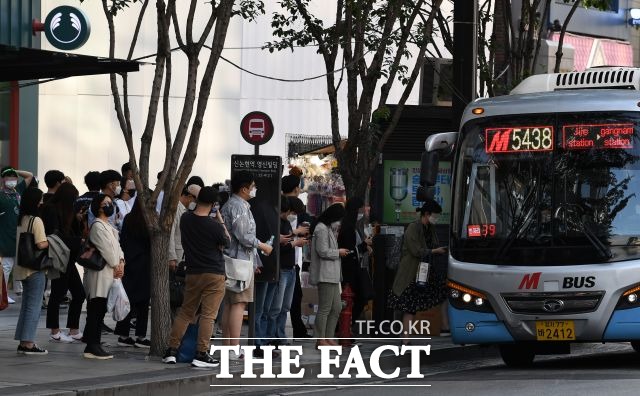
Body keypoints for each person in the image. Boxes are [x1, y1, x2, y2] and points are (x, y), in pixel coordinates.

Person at [163, 187, 229, 367]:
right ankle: (201, 353)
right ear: (214, 205)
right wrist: (220, 220)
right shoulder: (214, 226)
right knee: (208, 315)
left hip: (192, 272)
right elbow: (227, 241)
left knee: (185, 312)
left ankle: (171, 350)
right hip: (214, 273)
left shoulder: (186, 219)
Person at [221, 171, 273, 359]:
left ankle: (228, 347)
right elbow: (243, 236)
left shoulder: (232, 205)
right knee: (239, 303)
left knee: (230, 303)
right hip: (239, 262)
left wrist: (255, 261)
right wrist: (263, 246)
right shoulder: (239, 207)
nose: (254, 190)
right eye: (252, 186)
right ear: (244, 189)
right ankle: (234, 348)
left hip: (234, 260)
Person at [388, 200, 447, 345]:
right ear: (427, 214)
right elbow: (416, 250)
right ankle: (405, 338)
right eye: (435, 215)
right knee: (409, 306)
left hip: (424, 270)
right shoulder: (413, 228)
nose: (436, 218)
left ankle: (445, 326)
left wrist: (436, 250)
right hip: (412, 271)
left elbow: (431, 245)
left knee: (443, 293)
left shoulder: (429, 228)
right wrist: (434, 251)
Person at [82, 194, 125, 359]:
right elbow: (107, 250)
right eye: (105, 203)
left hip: (110, 273)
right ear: (98, 207)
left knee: (100, 311)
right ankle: (92, 345)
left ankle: (94, 344)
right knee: (96, 310)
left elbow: (118, 248)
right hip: (100, 275)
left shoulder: (110, 226)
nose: (109, 205)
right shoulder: (97, 226)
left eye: (110, 202)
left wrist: (121, 262)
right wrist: (117, 264)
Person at [41, 183, 85, 343]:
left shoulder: (67, 212)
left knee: (79, 293)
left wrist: (78, 220)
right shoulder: (51, 210)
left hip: (68, 258)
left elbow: (71, 231)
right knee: (58, 294)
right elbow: (54, 235)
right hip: (59, 257)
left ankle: (73, 329)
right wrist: (78, 241)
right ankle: (55, 330)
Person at [268, 196, 308, 346]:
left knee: (285, 307)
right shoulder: (277, 224)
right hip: (282, 269)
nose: (292, 215)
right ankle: (272, 337)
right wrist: (294, 243)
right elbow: (278, 247)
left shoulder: (286, 223)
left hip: (291, 269)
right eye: (291, 212)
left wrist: (295, 242)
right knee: (276, 307)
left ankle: (281, 336)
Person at [13, 188, 49, 355]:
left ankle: (23, 341)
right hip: (35, 268)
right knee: (34, 307)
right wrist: (52, 241)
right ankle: (28, 343)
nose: (42, 202)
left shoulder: (21, 219)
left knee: (26, 306)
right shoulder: (36, 221)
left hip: (21, 267)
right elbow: (41, 244)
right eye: (40, 199)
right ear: (35, 201)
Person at [309, 203, 349, 347]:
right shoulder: (321, 229)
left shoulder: (327, 228)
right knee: (325, 307)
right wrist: (339, 252)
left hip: (332, 274)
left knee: (336, 307)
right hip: (324, 274)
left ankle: (329, 336)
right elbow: (323, 251)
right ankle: (320, 339)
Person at [114, 200, 151, 348]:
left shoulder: (129, 218)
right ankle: (140, 336)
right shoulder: (149, 219)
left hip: (129, 262)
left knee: (127, 299)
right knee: (143, 302)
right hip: (144, 264)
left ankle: (123, 334)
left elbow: (123, 240)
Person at [0, 166, 33, 303]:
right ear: (3, 179)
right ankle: (3, 294)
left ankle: (19, 289)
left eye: (14, 177)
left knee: (20, 263)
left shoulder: (18, 191)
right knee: (6, 266)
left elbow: (29, 175)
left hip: (19, 233)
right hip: (5, 234)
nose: (12, 180)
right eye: (9, 177)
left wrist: (14, 170)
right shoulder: (1, 195)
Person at [337, 197, 372, 328]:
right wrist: (364, 245)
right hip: (349, 270)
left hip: (353, 268)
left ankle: (346, 326)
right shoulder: (348, 228)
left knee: (358, 297)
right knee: (356, 297)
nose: (362, 212)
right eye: (360, 210)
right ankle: (345, 326)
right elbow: (349, 251)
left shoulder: (351, 226)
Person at [288, 196, 314, 337]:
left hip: (293, 264)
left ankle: (298, 330)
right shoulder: (285, 220)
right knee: (289, 301)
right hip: (287, 264)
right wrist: (296, 234)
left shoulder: (295, 219)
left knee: (294, 298)